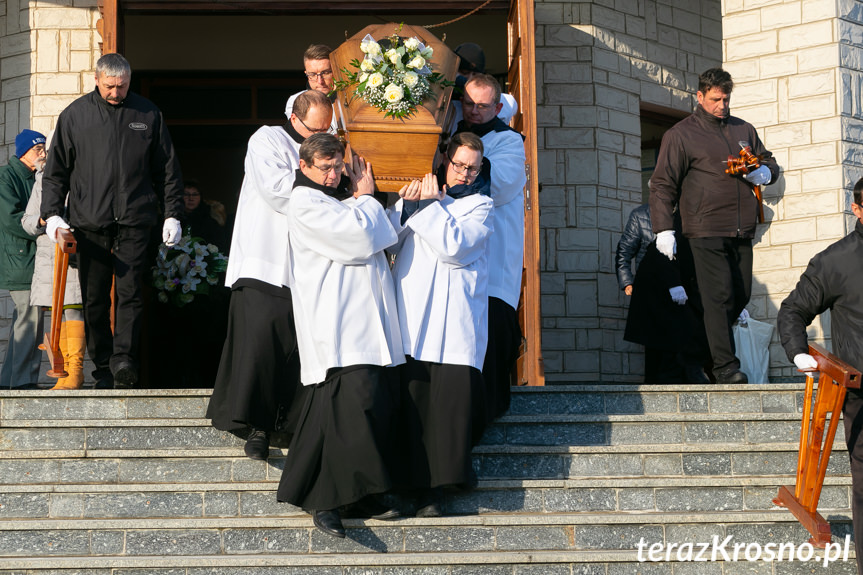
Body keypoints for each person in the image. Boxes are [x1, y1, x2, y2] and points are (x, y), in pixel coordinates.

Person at [276, 134, 403, 539]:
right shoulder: (304, 203)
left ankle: (350, 494)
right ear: (304, 167)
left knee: (347, 412)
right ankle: (329, 500)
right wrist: (367, 197)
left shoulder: (337, 201)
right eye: (325, 168)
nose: (333, 175)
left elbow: (383, 234)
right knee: (351, 409)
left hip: (362, 325)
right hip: (337, 326)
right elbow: (358, 241)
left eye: (337, 167)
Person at [41, 53, 184, 390]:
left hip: (135, 220)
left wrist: (173, 213)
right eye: (110, 86)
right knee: (94, 300)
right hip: (90, 224)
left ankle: (124, 362)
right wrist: (52, 214)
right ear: (96, 79)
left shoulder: (148, 114)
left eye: (122, 86)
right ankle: (103, 366)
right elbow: (55, 172)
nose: (116, 93)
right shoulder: (75, 116)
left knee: (131, 294)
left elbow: (167, 169)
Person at [207, 90, 334, 460]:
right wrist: (332, 184)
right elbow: (278, 190)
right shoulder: (267, 139)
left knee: (299, 350)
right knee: (260, 347)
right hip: (264, 261)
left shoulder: (327, 151)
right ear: (295, 120)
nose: (321, 137)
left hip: (306, 267)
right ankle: (255, 425)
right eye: (315, 129)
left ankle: (290, 426)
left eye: (327, 130)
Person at [649, 67, 779, 384]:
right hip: (703, 228)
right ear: (700, 96)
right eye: (715, 99)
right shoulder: (680, 135)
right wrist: (663, 228)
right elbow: (662, 184)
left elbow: (769, 161)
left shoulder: (742, 129)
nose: (722, 105)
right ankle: (725, 367)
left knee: (740, 295)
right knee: (718, 297)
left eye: (726, 98)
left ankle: (697, 354)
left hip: (741, 228)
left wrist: (764, 173)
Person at [388, 132, 493, 516]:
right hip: (414, 318)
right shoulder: (416, 195)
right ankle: (406, 485)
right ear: (445, 160)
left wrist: (428, 206)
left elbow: (455, 247)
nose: (465, 173)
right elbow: (386, 241)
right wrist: (406, 207)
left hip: (452, 326)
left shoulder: (481, 206)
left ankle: (438, 490)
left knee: (446, 411)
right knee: (413, 407)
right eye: (460, 165)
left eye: (473, 167)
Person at [776, 176, 863, 575]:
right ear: (856, 209)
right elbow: (793, 310)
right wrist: (798, 351)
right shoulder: (836, 261)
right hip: (862, 394)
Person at [454, 74, 526, 421]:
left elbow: (498, 185)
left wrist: (452, 168)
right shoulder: (450, 134)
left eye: (483, 106)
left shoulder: (509, 141)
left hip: (493, 263)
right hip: (453, 262)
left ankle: (490, 414)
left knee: (490, 342)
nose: (474, 111)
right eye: (468, 104)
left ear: (498, 107)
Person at [22, 169, 85, 390]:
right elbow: (27, 221)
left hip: (74, 248)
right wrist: (42, 219)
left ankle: (75, 371)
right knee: (57, 314)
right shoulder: (42, 178)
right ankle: (63, 373)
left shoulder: (83, 172)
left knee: (73, 309)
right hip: (49, 256)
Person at [0, 129, 47, 390]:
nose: (43, 154)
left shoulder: (35, 176)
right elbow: (9, 218)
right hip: (20, 259)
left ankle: (9, 382)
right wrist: (40, 225)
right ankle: (23, 383)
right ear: (23, 153)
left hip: (31, 259)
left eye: (43, 149)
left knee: (24, 322)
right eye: (37, 149)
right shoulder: (6, 177)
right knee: (30, 322)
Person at [284, 44, 338, 134]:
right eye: (312, 74)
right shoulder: (295, 100)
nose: (320, 81)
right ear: (306, 73)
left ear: (335, 71)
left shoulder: (349, 98)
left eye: (325, 73)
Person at [181, 179, 227, 251]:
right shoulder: (174, 219)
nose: (191, 198)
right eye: (186, 194)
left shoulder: (210, 220)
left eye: (195, 194)